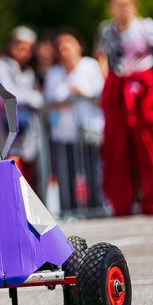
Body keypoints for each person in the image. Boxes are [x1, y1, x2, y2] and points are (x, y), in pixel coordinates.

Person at [94, 0, 153, 216]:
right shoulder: (105, 30)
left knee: (146, 145)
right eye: (116, 4)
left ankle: (150, 201)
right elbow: (100, 56)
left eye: (126, 4)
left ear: (134, 5)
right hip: (117, 91)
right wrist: (107, 78)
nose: (121, 9)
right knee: (116, 149)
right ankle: (121, 204)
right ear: (110, 6)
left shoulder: (146, 27)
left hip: (142, 91)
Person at [42, 28, 105, 213]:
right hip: (63, 132)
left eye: (68, 42)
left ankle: (96, 209)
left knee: (93, 172)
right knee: (65, 174)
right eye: (60, 45)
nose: (64, 47)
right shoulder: (53, 73)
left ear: (79, 45)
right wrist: (59, 104)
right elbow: (47, 103)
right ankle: (70, 211)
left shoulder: (91, 66)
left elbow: (102, 97)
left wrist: (81, 93)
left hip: (89, 129)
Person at [0, 26, 44, 193]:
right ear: (11, 44)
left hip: (28, 131)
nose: (23, 51)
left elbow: (39, 99)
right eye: (20, 45)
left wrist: (25, 96)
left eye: (28, 48)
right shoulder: (0, 65)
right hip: (7, 128)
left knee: (27, 170)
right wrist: (30, 96)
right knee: (11, 168)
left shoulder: (28, 71)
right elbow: (8, 95)